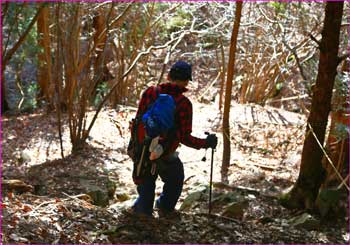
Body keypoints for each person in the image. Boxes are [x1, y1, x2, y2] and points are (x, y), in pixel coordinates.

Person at [132, 60, 218, 217]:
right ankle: (164, 207)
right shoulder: (184, 104)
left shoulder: (150, 92)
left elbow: (138, 120)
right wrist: (206, 143)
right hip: (166, 153)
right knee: (176, 179)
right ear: (186, 81)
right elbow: (185, 138)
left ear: (168, 75)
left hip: (142, 150)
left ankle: (142, 211)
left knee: (145, 190)